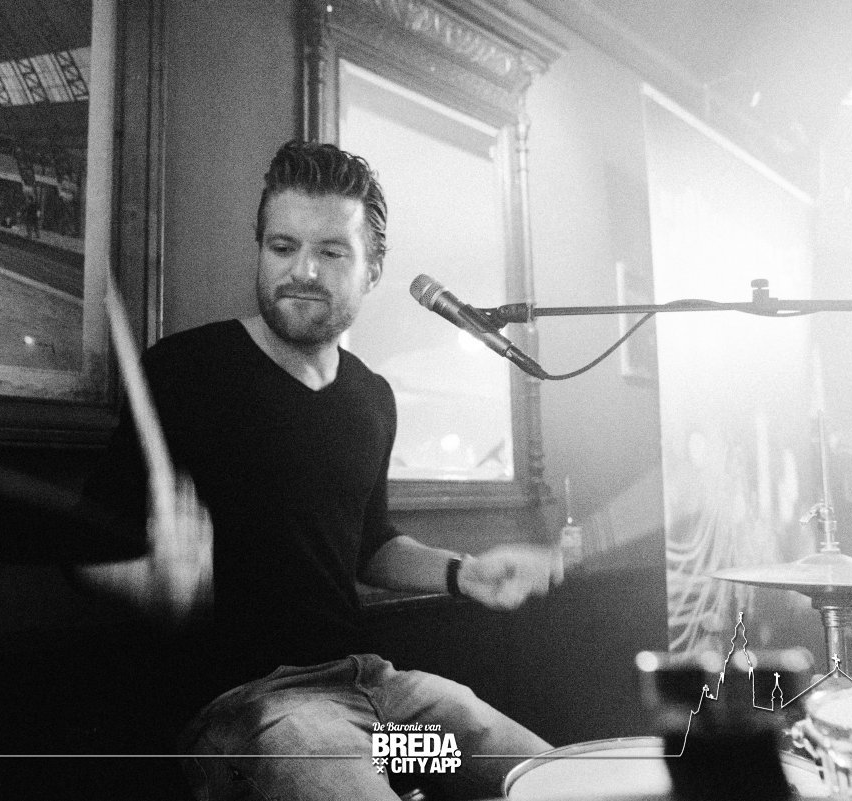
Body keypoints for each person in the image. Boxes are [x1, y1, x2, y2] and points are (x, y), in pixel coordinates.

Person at [73, 140, 560, 800]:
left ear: (373, 269)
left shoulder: (371, 397)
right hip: (256, 713)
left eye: (331, 252)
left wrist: (463, 573)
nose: (302, 270)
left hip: (380, 705)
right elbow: (83, 552)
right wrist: (150, 582)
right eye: (283, 246)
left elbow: (369, 545)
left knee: (553, 780)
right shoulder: (185, 370)